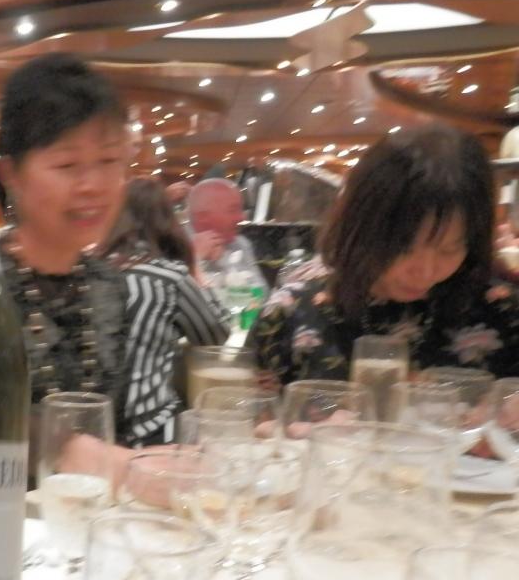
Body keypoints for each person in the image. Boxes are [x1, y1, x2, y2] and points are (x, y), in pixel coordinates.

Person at [248, 123, 519, 388]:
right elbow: (253, 407)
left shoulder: (503, 312)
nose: (426, 271)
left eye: (450, 249)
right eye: (403, 247)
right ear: (359, 227)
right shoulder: (294, 311)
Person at [0, 53, 129, 416]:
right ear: (10, 173)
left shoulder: (110, 287)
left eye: (109, 160)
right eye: (67, 165)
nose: (93, 185)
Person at [101, 178, 230, 446]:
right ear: (167, 221)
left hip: (91, 428)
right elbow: (216, 337)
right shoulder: (168, 277)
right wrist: (196, 268)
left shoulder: (93, 270)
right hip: (150, 430)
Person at [186, 176, 266, 287]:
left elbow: (261, 292)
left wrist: (225, 262)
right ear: (202, 217)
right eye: (232, 210)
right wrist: (196, 259)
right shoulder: (173, 248)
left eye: (241, 209)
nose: (241, 218)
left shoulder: (240, 244)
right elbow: (182, 295)